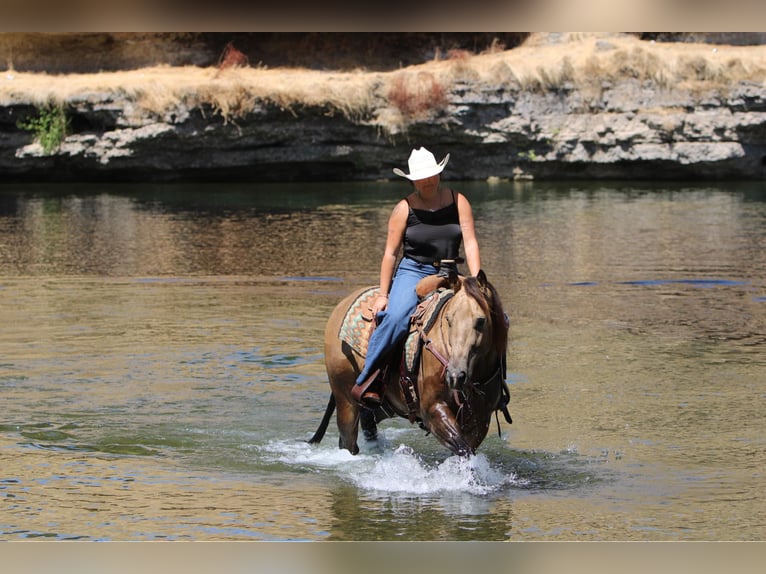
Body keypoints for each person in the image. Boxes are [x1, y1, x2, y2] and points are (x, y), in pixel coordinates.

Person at [352, 146, 482, 407]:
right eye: (421, 177)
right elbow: (390, 254)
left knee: (488, 317)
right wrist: (383, 295)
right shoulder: (404, 208)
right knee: (396, 318)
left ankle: (493, 387)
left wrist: (477, 281)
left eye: (432, 174)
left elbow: (470, 243)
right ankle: (369, 380)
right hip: (414, 271)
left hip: (450, 272)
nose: (428, 180)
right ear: (412, 180)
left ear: (439, 173)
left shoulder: (459, 201)